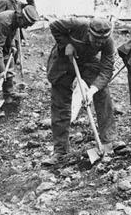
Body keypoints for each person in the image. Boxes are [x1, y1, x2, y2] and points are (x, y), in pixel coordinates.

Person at [43, 17, 119, 166]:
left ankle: (108, 141)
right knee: (60, 103)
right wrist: (67, 44)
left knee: (102, 93)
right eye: (95, 39)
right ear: (88, 32)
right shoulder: (77, 24)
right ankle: (61, 151)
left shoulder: (108, 42)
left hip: (88, 62)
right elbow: (54, 25)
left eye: (101, 41)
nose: (98, 43)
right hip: (64, 60)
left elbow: (106, 70)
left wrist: (92, 90)